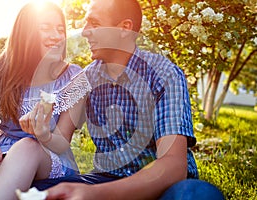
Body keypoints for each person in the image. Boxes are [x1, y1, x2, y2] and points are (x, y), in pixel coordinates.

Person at [31, 0, 225, 199]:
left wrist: (95, 194)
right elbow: (55, 117)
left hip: (161, 187)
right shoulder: (87, 78)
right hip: (106, 179)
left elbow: (174, 167)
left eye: (94, 24)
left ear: (124, 28)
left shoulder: (165, 75)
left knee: (198, 194)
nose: (85, 32)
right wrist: (39, 128)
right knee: (40, 190)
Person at [0, 1, 84, 199]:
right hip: (2, 152)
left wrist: (43, 134)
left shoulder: (73, 78)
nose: (56, 35)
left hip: (49, 157)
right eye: (46, 28)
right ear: (25, 33)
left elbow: (62, 143)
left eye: (60, 29)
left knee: (26, 146)